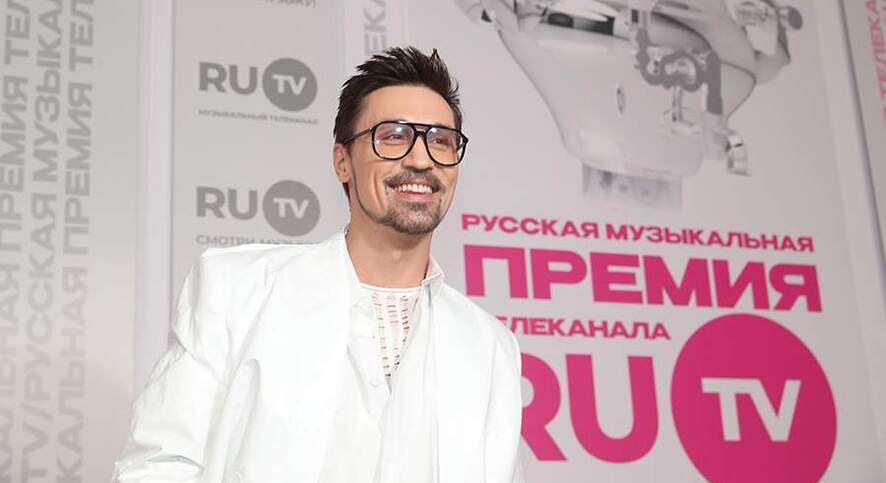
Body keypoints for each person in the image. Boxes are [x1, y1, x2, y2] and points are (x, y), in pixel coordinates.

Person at [113, 46, 524, 483]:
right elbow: (155, 468)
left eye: (441, 141)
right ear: (342, 162)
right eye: (393, 136)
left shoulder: (490, 346)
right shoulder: (237, 290)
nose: (421, 160)